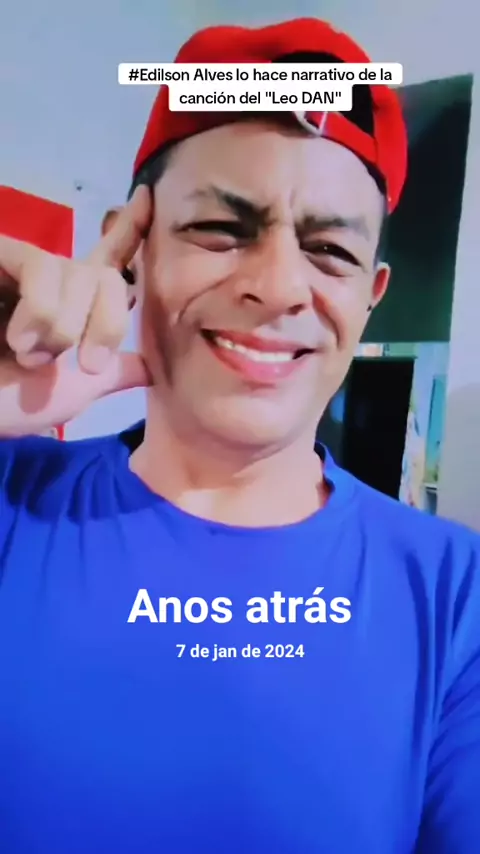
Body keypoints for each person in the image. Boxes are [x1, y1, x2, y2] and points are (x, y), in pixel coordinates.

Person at [0, 17, 478, 854]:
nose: (278, 285)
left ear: (371, 296)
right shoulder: (13, 503)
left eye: (329, 250)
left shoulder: (453, 593)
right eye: (222, 229)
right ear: (133, 249)